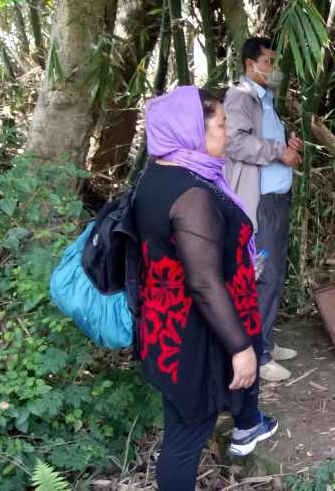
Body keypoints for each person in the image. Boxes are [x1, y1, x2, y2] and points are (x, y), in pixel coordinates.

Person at [134, 86, 279, 490]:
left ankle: (247, 426)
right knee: (184, 440)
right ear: (193, 131)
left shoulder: (159, 174)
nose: (227, 131)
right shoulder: (192, 194)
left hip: (165, 324)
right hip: (191, 337)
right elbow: (202, 282)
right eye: (220, 124)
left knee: (183, 430)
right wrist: (240, 348)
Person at [224, 37, 303, 382]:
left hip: (276, 200)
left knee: (273, 274)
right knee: (263, 276)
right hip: (258, 204)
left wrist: (288, 145)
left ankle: (265, 338)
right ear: (249, 64)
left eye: (274, 61)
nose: (274, 69)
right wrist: (277, 150)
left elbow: (266, 145)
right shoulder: (239, 98)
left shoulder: (266, 99)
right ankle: (259, 353)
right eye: (268, 62)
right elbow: (233, 141)